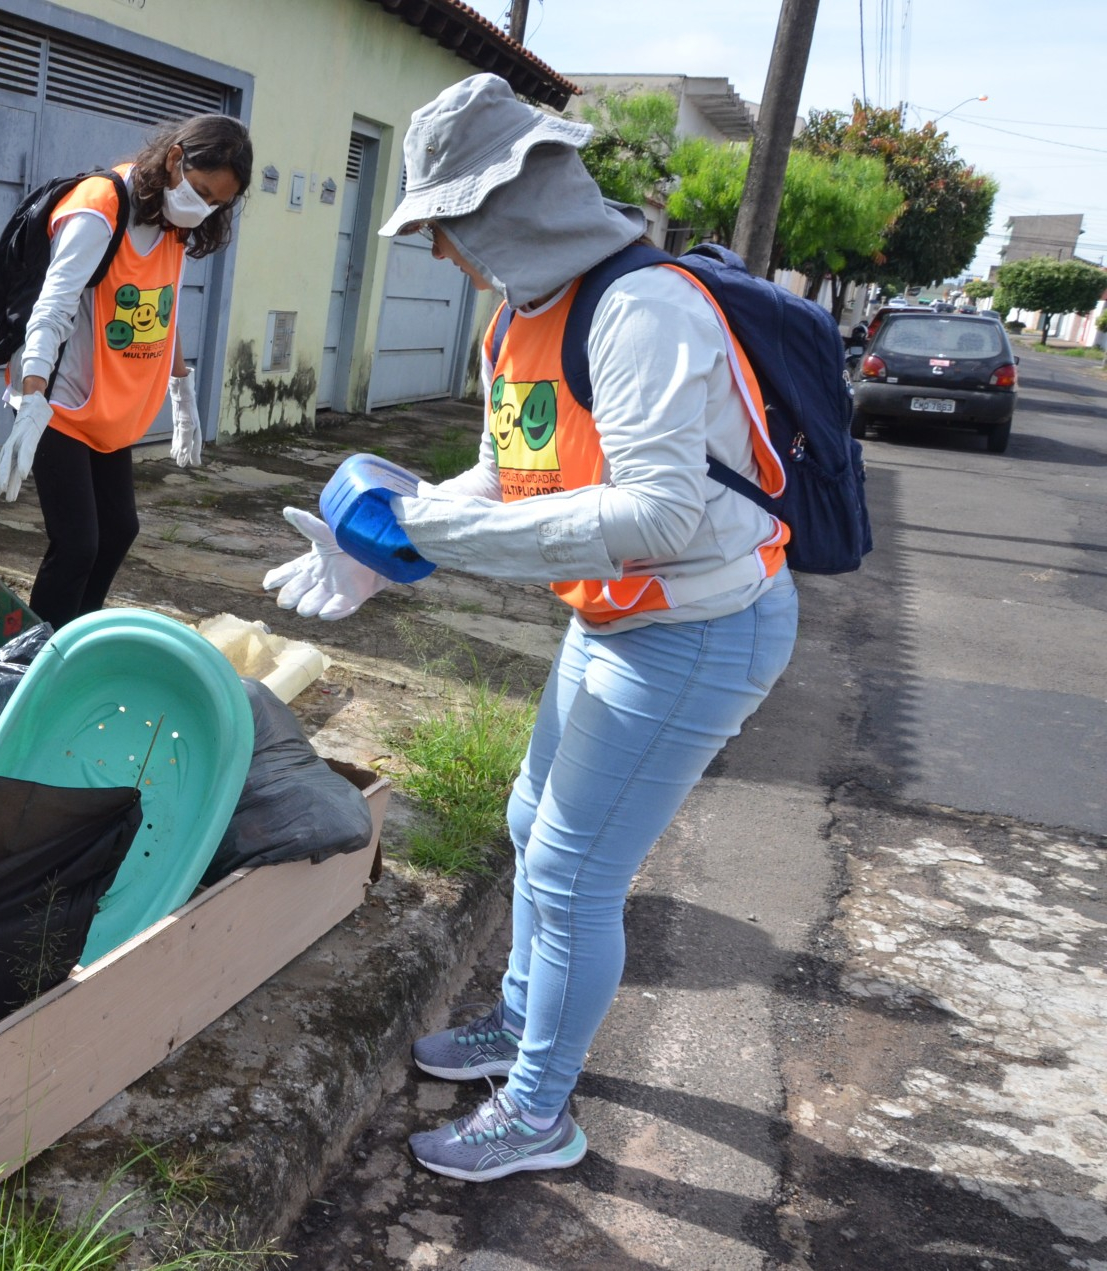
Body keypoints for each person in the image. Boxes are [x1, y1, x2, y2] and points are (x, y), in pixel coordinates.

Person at [263, 75, 799, 1182]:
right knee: (528, 817)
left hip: (701, 625)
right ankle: (520, 1023)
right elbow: (511, 475)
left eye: (444, 227)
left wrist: (435, 538)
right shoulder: (520, 317)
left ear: (506, 206)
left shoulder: (644, 308)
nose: (438, 255)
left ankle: (539, 1111)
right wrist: (386, 551)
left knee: (570, 871)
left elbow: (660, 513)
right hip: (613, 620)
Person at [0, 114, 253, 629]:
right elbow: (53, 306)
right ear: (175, 160)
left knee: (118, 532)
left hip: (111, 416)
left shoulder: (176, 223)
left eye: (218, 203)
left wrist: (183, 395)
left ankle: (75, 646)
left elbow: (165, 309)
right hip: (60, 403)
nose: (205, 209)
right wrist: (31, 399)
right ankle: (30, 666)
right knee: (77, 544)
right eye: (202, 191)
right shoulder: (100, 207)